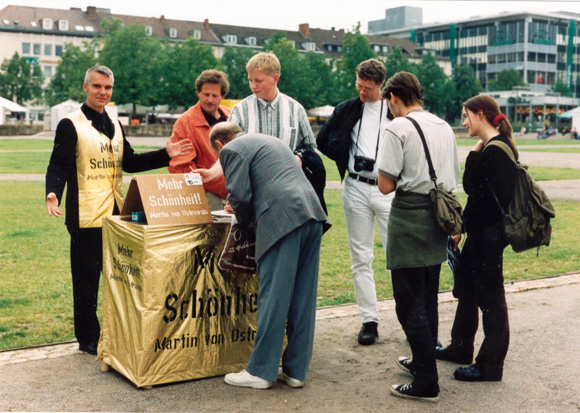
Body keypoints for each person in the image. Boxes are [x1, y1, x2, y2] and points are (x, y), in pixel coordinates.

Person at [45, 65, 192, 355]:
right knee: (86, 282)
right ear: (85, 87)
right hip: (86, 216)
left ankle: (116, 332)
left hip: (117, 214)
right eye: (97, 86)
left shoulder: (115, 123)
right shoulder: (70, 124)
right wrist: (53, 192)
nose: (103, 92)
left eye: (108, 88)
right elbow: (58, 164)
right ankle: (88, 337)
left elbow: (131, 162)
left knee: (119, 281)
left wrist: (166, 154)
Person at [210, 122, 327, 390]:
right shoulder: (270, 141)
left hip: (281, 219)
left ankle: (261, 370)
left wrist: (244, 218)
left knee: (274, 296)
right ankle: (296, 370)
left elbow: (239, 195)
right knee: (303, 296)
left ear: (219, 144)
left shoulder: (231, 150)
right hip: (312, 214)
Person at [377, 72, 460, 402]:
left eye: (389, 103)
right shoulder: (444, 126)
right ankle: (422, 361)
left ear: (394, 96)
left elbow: (385, 185)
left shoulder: (397, 127)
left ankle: (427, 380)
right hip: (438, 215)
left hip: (410, 216)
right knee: (427, 296)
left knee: (408, 303)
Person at [436, 94, 518, 383]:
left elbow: (472, 187)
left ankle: (490, 365)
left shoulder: (495, 150)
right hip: (482, 234)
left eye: (466, 115)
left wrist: (474, 151)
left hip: (489, 237)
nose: (464, 121)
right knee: (468, 292)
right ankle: (460, 347)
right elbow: (481, 197)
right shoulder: (499, 146)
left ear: (480, 114)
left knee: (492, 300)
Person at [317, 58, 394, 345]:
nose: (362, 92)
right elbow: (323, 140)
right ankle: (369, 320)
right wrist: (345, 156)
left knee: (396, 257)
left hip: (388, 190)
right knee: (361, 257)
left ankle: (411, 321)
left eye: (369, 89)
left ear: (381, 86)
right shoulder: (348, 108)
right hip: (356, 187)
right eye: (359, 86)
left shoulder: (394, 111)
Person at [167, 70, 231, 211]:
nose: (210, 99)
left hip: (234, 195)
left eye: (215, 95)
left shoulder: (230, 117)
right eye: (206, 94)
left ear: (222, 96)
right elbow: (182, 168)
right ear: (198, 93)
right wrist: (222, 186)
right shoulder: (185, 122)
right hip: (207, 196)